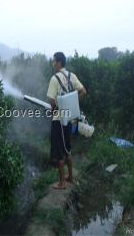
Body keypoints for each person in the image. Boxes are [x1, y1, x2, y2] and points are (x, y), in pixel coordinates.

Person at [47, 52, 86, 189]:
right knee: (67, 148)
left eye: (53, 61)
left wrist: (54, 110)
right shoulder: (71, 76)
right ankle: (70, 177)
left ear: (58, 63)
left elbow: (52, 101)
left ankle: (62, 183)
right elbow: (83, 91)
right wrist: (72, 105)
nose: (53, 64)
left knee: (59, 151)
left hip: (58, 120)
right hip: (69, 118)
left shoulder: (54, 79)